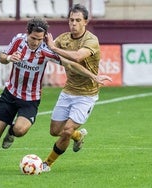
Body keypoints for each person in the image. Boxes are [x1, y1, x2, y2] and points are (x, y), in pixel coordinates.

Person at [0, 17, 109, 172]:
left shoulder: (46, 50)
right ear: (27, 33)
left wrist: (94, 76)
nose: (36, 42)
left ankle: (11, 132)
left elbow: (71, 64)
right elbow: (2, 58)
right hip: (10, 94)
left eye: (40, 39)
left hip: (31, 99)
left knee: (20, 130)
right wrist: (10, 58)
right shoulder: (18, 40)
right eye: (33, 38)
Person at [42, 4, 112, 172]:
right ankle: (78, 136)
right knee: (55, 131)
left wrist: (53, 48)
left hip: (87, 95)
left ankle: (47, 164)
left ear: (85, 22)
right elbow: (44, 50)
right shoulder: (63, 39)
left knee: (66, 130)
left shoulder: (91, 40)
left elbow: (78, 56)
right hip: (68, 91)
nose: (73, 23)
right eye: (71, 20)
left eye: (78, 20)